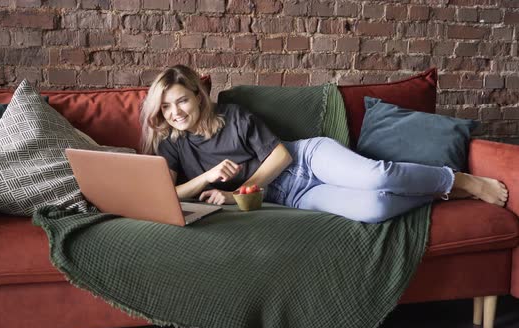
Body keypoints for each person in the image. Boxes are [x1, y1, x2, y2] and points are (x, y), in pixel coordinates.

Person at [140, 65, 509, 223]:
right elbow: (169, 192)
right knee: (374, 209)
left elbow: (282, 155)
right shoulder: (170, 143)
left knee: (377, 177)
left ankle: (457, 180)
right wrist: (206, 178)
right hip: (292, 197)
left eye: (182, 100)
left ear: (197, 95)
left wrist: (242, 189)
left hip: (307, 160)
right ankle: (438, 191)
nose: (175, 112)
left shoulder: (233, 116)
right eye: (167, 106)